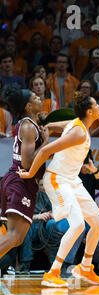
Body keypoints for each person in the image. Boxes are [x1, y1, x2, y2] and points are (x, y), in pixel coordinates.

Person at [17, 92, 99, 287]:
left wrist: (49, 126)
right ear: (90, 112)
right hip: (57, 179)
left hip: (71, 180)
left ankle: (85, 266)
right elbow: (48, 151)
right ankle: (53, 272)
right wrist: (31, 173)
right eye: (96, 105)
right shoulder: (79, 132)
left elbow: (63, 124)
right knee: (78, 225)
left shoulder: (77, 123)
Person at [0, 86, 49, 269]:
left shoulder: (30, 124)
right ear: (29, 106)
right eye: (36, 96)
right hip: (20, 180)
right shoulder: (28, 127)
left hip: (21, 182)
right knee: (14, 236)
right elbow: (28, 164)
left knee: (17, 237)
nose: (40, 97)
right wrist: (45, 143)